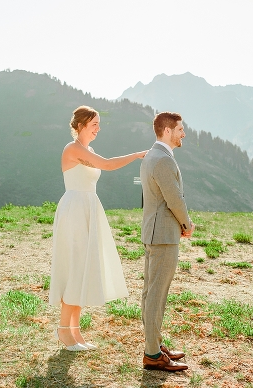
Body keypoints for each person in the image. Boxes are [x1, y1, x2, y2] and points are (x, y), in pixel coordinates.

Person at [49, 105, 148, 351]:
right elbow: (107, 164)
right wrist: (136, 155)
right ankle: (64, 331)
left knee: (83, 268)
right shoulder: (72, 149)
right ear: (80, 125)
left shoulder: (87, 150)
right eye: (94, 124)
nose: (98, 129)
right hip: (75, 209)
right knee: (75, 267)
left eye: (99, 124)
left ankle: (75, 331)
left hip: (88, 208)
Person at [139, 112, 194, 371]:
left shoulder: (152, 156)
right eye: (180, 129)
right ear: (167, 131)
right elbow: (174, 199)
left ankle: (155, 344)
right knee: (156, 294)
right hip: (163, 236)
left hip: (154, 233)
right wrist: (187, 223)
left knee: (152, 292)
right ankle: (152, 354)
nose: (183, 133)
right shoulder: (162, 160)